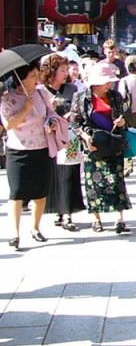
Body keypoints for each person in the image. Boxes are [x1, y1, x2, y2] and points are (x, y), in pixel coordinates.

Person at [1, 61, 58, 249]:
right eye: (32, 76)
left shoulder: (42, 93)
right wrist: (25, 108)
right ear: (20, 79)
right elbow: (9, 124)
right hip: (18, 150)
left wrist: (52, 122)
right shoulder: (7, 100)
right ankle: (15, 233)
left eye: (37, 75)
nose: (36, 79)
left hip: (41, 147)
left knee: (40, 191)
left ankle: (35, 227)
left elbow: (51, 113)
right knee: (16, 192)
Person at [71, 62, 132, 234]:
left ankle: (120, 218)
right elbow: (76, 123)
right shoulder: (81, 97)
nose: (109, 85)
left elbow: (123, 116)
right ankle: (96, 219)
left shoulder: (115, 96)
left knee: (116, 181)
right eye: (106, 81)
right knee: (93, 183)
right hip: (93, 144)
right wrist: (85, 136)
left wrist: (121, 122)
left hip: (112, 141)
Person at [39, 54, 85, 231]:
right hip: (49, 138)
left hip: (68, 138)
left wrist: (69, 116)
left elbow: (78, 111)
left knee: (68, 174)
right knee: (53, 174)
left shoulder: (72, 89)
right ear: (51, 71)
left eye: (67, 70)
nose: (66, 73)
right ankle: (58, 210)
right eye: (62, 70)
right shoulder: (42, 91)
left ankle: (68, 213)